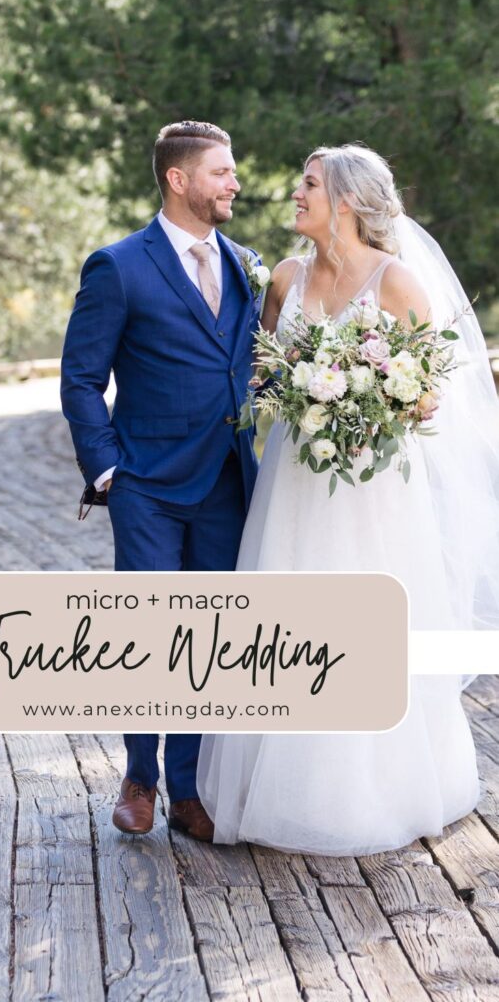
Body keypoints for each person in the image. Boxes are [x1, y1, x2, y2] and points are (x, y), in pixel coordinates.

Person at [197, 144, 499, 856]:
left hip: (373, 490)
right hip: (295, 484)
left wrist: (375, 407)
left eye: (308, 184)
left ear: (346, 200)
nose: (295, 194)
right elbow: (261, 374)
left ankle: (370, 793)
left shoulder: (397, 281)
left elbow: (431, 391)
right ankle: (279, 790)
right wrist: (301, 395)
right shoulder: (286, 277)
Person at [61, 121, 263, 840]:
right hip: (144, 484)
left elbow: (254, 364)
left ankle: (188, 788)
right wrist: (106, 468)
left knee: (208, 636)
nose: (234, 182)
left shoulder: (247, 265)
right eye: (221, 171)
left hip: (228, 483)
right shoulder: (118, 267)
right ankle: (139, 777)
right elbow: (81, 378)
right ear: (179, 180)